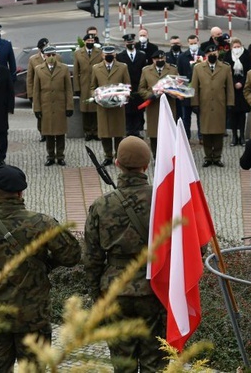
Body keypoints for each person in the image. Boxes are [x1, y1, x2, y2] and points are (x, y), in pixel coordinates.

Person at [0, 165, 81, 373]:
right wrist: (45, 264)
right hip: (33, 319)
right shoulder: (43, 223)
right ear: (21, 192)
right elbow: (72, 256)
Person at [82, 137, 168, 373]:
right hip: (154, 288)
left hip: (115, 289)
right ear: (147, 165)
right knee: (155, 360)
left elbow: (91, 258)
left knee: (122, 362)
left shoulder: (101, 205)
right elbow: (191, 248)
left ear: (117, 163)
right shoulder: (165, 200)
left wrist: (96, 295)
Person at [191, 44, 234, 167]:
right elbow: (194, 86)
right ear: (205, 56)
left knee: (219, 132)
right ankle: (208, 156)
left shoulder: (225, 68)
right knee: (206, 131)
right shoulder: (198, 68)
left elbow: (230, 88)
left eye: (214, 53)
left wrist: (230, 103)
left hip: (220, 104)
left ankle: (217, 157)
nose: (212, 56)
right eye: (209, 54)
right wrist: (195, 103)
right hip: (204, 104)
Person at [34, 46, 74, 166]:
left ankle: (60, 156)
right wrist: (37, 108)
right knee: (48, 132)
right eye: (48, 55)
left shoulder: (64, 68)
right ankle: (50, 155)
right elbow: (36, 91)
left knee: (60, 132)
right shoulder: (38, 69)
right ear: (44, 56)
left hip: (60, 105)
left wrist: (69, 106)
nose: (51, 57)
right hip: (46, 106)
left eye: (53, 55)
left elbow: (68, 89)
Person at [91, 45, 130, 166]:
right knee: (105, 133)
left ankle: (119, 156)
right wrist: (96, 96)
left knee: (118, 132)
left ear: (114, 55)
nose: (108, 56)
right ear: (102, 55)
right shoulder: (96, 68)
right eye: (106, 54)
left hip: (117, 106)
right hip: (103, 106)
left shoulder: (122, 67)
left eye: (111, 54)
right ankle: (107, 155)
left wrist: (123, 96)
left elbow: (127, 85)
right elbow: (93, 86)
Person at [138, 50, 178, 156]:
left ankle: (169, 155)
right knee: (154, 133)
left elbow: (178, 87)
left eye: (162, 58)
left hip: (168, 105)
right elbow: (141, 89)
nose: (160, 60)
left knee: (168, 133)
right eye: (157, 59)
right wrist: (150, 95)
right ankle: (156, 156)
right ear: (153, 60)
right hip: (153, 106)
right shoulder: (146, 71)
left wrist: (170, 91)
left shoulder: (173, 69)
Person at [117, 33, 148, 137]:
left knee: (139, 111)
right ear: (125, 43)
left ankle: (137, 131)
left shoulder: (142, 55)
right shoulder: (120, 56)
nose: (130, 44)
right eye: (128, 42)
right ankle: (128, 130)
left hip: (139, 87)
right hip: (126, 88)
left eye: (132, 42)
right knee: (127, 110)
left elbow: (145, 71)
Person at [29, 38, 59, 142]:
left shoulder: (56, 57)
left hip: (53, 90)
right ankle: (42, 132)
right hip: (40, 91)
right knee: (40, 114)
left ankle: (53, 131)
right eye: (43, 47)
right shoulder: (33, 59)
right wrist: (30, 94)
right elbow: (30, 78)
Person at [73, 33, 102, 141]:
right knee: (85, 110)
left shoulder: (99, 52)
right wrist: (76, 88)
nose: (90, 43)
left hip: (96, 84)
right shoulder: (78, 53)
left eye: (92, 41)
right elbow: (76, 72)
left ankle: (96, 131)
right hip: (84, 84)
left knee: (95, 109)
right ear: (85, 42)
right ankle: (87, 132)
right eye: (88, 41)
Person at [227, 38, 251, 146]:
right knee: (233, 114)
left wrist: (242, 83)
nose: (237, 49)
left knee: (242, 114)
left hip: (243, 88)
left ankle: (242, 136)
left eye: (238, 46)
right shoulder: (228, 55)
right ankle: (234, 136)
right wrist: (234, 83)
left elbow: (249, 71)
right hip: (232, 88)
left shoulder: (246, 55)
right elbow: (227, 71)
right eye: (234, 47)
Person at [176, 34, 202, 141]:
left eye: (195, 43)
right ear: (188, 44)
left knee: (200, 116)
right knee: (186, 116)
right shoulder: (182, 57)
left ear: (198, 42)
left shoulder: (203, 55)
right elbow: (180, 74)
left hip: (198, 91)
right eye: (191, 44)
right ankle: (186, 138)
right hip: (186, 90)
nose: (193, 45)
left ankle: (201, 136)